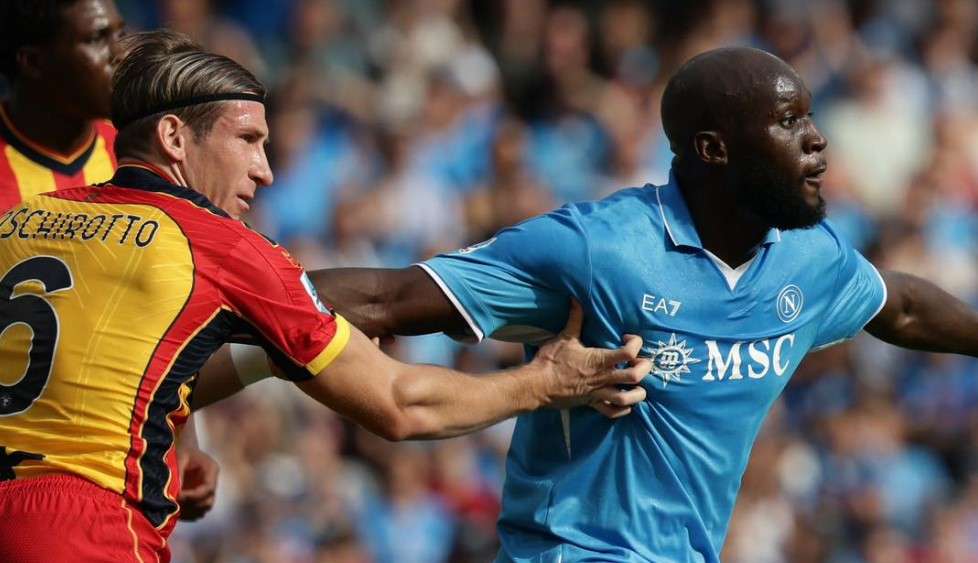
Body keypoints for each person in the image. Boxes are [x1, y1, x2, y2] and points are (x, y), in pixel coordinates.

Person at [305, 47, 978, 562]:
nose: (816, 138)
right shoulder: (599, 248)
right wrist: (247, 288)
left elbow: (902, 307)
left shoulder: (810, 259)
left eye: (809, 115)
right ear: (714, 149)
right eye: (787, 121)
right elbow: (391, 297)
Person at [0, 30, 648, 563]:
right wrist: (544, 383)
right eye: (247, 140)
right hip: (92, 529)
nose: (265, 170)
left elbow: (113, 363)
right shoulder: (220, 245)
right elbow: (400, 404)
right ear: (174, 137)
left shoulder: (24, 220)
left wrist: (188, 424)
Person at [0, 0, 221, 521]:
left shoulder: (136, 153)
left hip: (110, 482)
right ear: (33, 61)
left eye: (121, 33)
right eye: (98, 39)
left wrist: (183, 441)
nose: (121, 53)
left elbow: (167, 313)